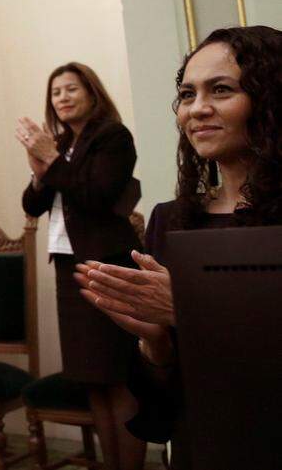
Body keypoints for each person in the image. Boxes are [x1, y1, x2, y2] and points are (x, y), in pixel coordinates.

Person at [74, 26, 282, 470]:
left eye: (221, 90)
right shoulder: (171, 220)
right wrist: (155, 348)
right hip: (200, 446)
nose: (198, 109)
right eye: (187, 95)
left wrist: (189, 309)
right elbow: (160, 410)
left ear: (270, 100)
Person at [18, 63, 146, 470]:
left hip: (107, 265)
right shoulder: (60, 146)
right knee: (92, 375)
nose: (63, 97)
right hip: (69, 268)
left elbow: (96, 194)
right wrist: (41, 174)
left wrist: (51, 159)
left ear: (92, 92)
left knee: (119, 373)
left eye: (71, 89)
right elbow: (32, 204)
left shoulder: (112, 136)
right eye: (56, 92)